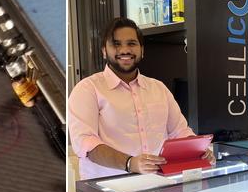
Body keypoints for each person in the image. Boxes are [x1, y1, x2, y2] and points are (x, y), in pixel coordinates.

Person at [68, 17, 209, 179]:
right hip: (108, 188)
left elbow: (180, 131)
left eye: (131, 43)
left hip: (158, 182)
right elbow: (85, 143)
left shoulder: (159, 88)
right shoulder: (88, 89)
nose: (125, 50)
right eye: (116, 44)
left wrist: (200, 151)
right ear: (104, 51)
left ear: (142, 50)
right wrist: (130, 163)